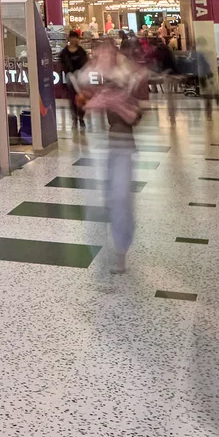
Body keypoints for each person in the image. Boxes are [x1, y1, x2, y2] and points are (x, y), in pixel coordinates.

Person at [78, 42, 149, 275]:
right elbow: (87, 88)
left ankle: (121, 253)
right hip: (114, 146)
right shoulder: (108, 83)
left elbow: (135, 114)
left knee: (120, 199)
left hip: (124, 147)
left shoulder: (125, 80)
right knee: (114, 198)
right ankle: (120, 250)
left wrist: (122, 104)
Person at [57, 35, 89, 137]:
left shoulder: (81, 51)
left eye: (76, 38)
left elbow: (85, 62)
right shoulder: (65, 52)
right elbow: (61, 63)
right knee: (73, 99)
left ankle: (81, 118)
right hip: (70, 78)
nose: (75, 40)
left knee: (81, 100)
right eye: (73, 38)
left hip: (80, 77)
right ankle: (75, 119)